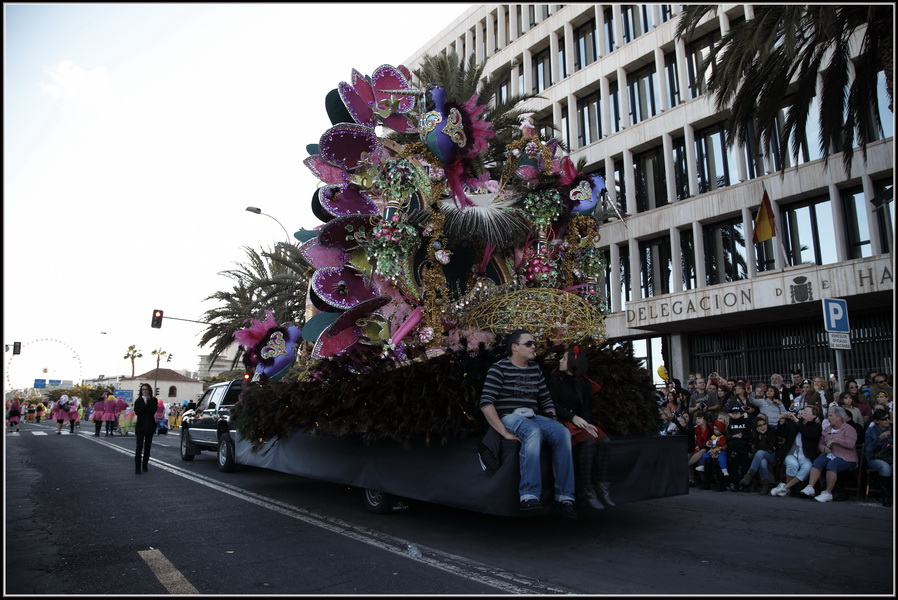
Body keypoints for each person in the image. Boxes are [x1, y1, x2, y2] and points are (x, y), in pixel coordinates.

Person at [480, 330, 577, 518]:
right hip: (509, 416)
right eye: (529, 343)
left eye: (535, 343)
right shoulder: (498, 369)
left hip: (533, 414)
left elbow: (545, 398)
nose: (534, 346)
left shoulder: (535, 369)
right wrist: (504, 432)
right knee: (532, 432)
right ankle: (529, 496)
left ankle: (565, 497)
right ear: (515, 347)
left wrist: (553, 420)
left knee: (562, 433)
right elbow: (486, 403)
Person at [547, 345, 615, 511]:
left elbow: (585, 408)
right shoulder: (555, 378)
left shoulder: (583, 383)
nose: (560, 361)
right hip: (561, 420)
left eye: (563, 358)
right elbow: (552, 404)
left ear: (573, 362)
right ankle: (586, 489)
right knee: (589, 442)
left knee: (604, 440)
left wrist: (587, 424)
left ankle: (601, 485)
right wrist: (573, 418)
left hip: (577, 421)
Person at [801, 406, 858, 503]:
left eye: (831, 416)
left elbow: (851, 444)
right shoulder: (827, 429)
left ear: (839, 417)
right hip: (830, 455)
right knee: (818, 461)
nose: (828, 418)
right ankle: (810, 487)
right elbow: (821, 444)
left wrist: (836, 440)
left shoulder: (849, 429)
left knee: (832, 465)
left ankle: (828, 493)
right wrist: (824, 448)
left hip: (846, 457)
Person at [770, 406, 822, 497]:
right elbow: (782, 434)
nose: (804, 412)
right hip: (791, 452)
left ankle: (786, 487)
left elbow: (808, 434)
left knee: (808, 467)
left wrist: (797, 421)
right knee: (792, 464)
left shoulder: (816, 426)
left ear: (814, 416)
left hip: (806, 455)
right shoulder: (794, 423)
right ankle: (788, 488)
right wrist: (782, 421)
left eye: (807, 411)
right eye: (804, 410)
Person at [742, 415, 778, 494]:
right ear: (756, 427)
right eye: (760, 425)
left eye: (764, 424)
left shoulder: (772, 431)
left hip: (772, 455)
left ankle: (749, 475)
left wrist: (763, 436)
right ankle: (765, 485)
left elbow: (769, 448)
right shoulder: (755, 434)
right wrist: (761, 435)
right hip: (760, 457)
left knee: (760, 453)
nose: (763, 427)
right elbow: (757, 448)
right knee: (762, 461)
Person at [864, 409, 892, 507]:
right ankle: (886, 496)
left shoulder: (892, 428)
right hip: (874, 458)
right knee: (885, 468)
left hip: (890, 457)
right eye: (884, 419)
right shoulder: (870, 430)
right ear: (876, 421)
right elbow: (868, 449)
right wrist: (879, 438)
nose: (887, 421)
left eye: (888, 418)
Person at [133, 384, 159, 474]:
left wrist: (148, 402)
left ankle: (145, 465)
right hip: (140, 426)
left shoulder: (153, 400)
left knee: (147, 447)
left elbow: (153, 410)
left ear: (149, 390)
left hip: (150, 426)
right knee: (139, 447)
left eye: (146, 389)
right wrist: (145, 404)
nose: (145, 391)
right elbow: (138, 412)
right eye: (143, 389)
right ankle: (137, 468)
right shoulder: (138, 401)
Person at [725, 406, 751, 490]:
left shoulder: (746, 423)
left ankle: (745, 485)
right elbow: (727, 436)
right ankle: (735, 485)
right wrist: (734, 436)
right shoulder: (730, 423)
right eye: (733, 413)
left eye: (736, 413)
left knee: (745, 467)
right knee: (734, 467)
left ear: (741, 414)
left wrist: (742, 436)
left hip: (743, 448)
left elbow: (750, 436)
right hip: (733, 448)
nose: (735, 415)